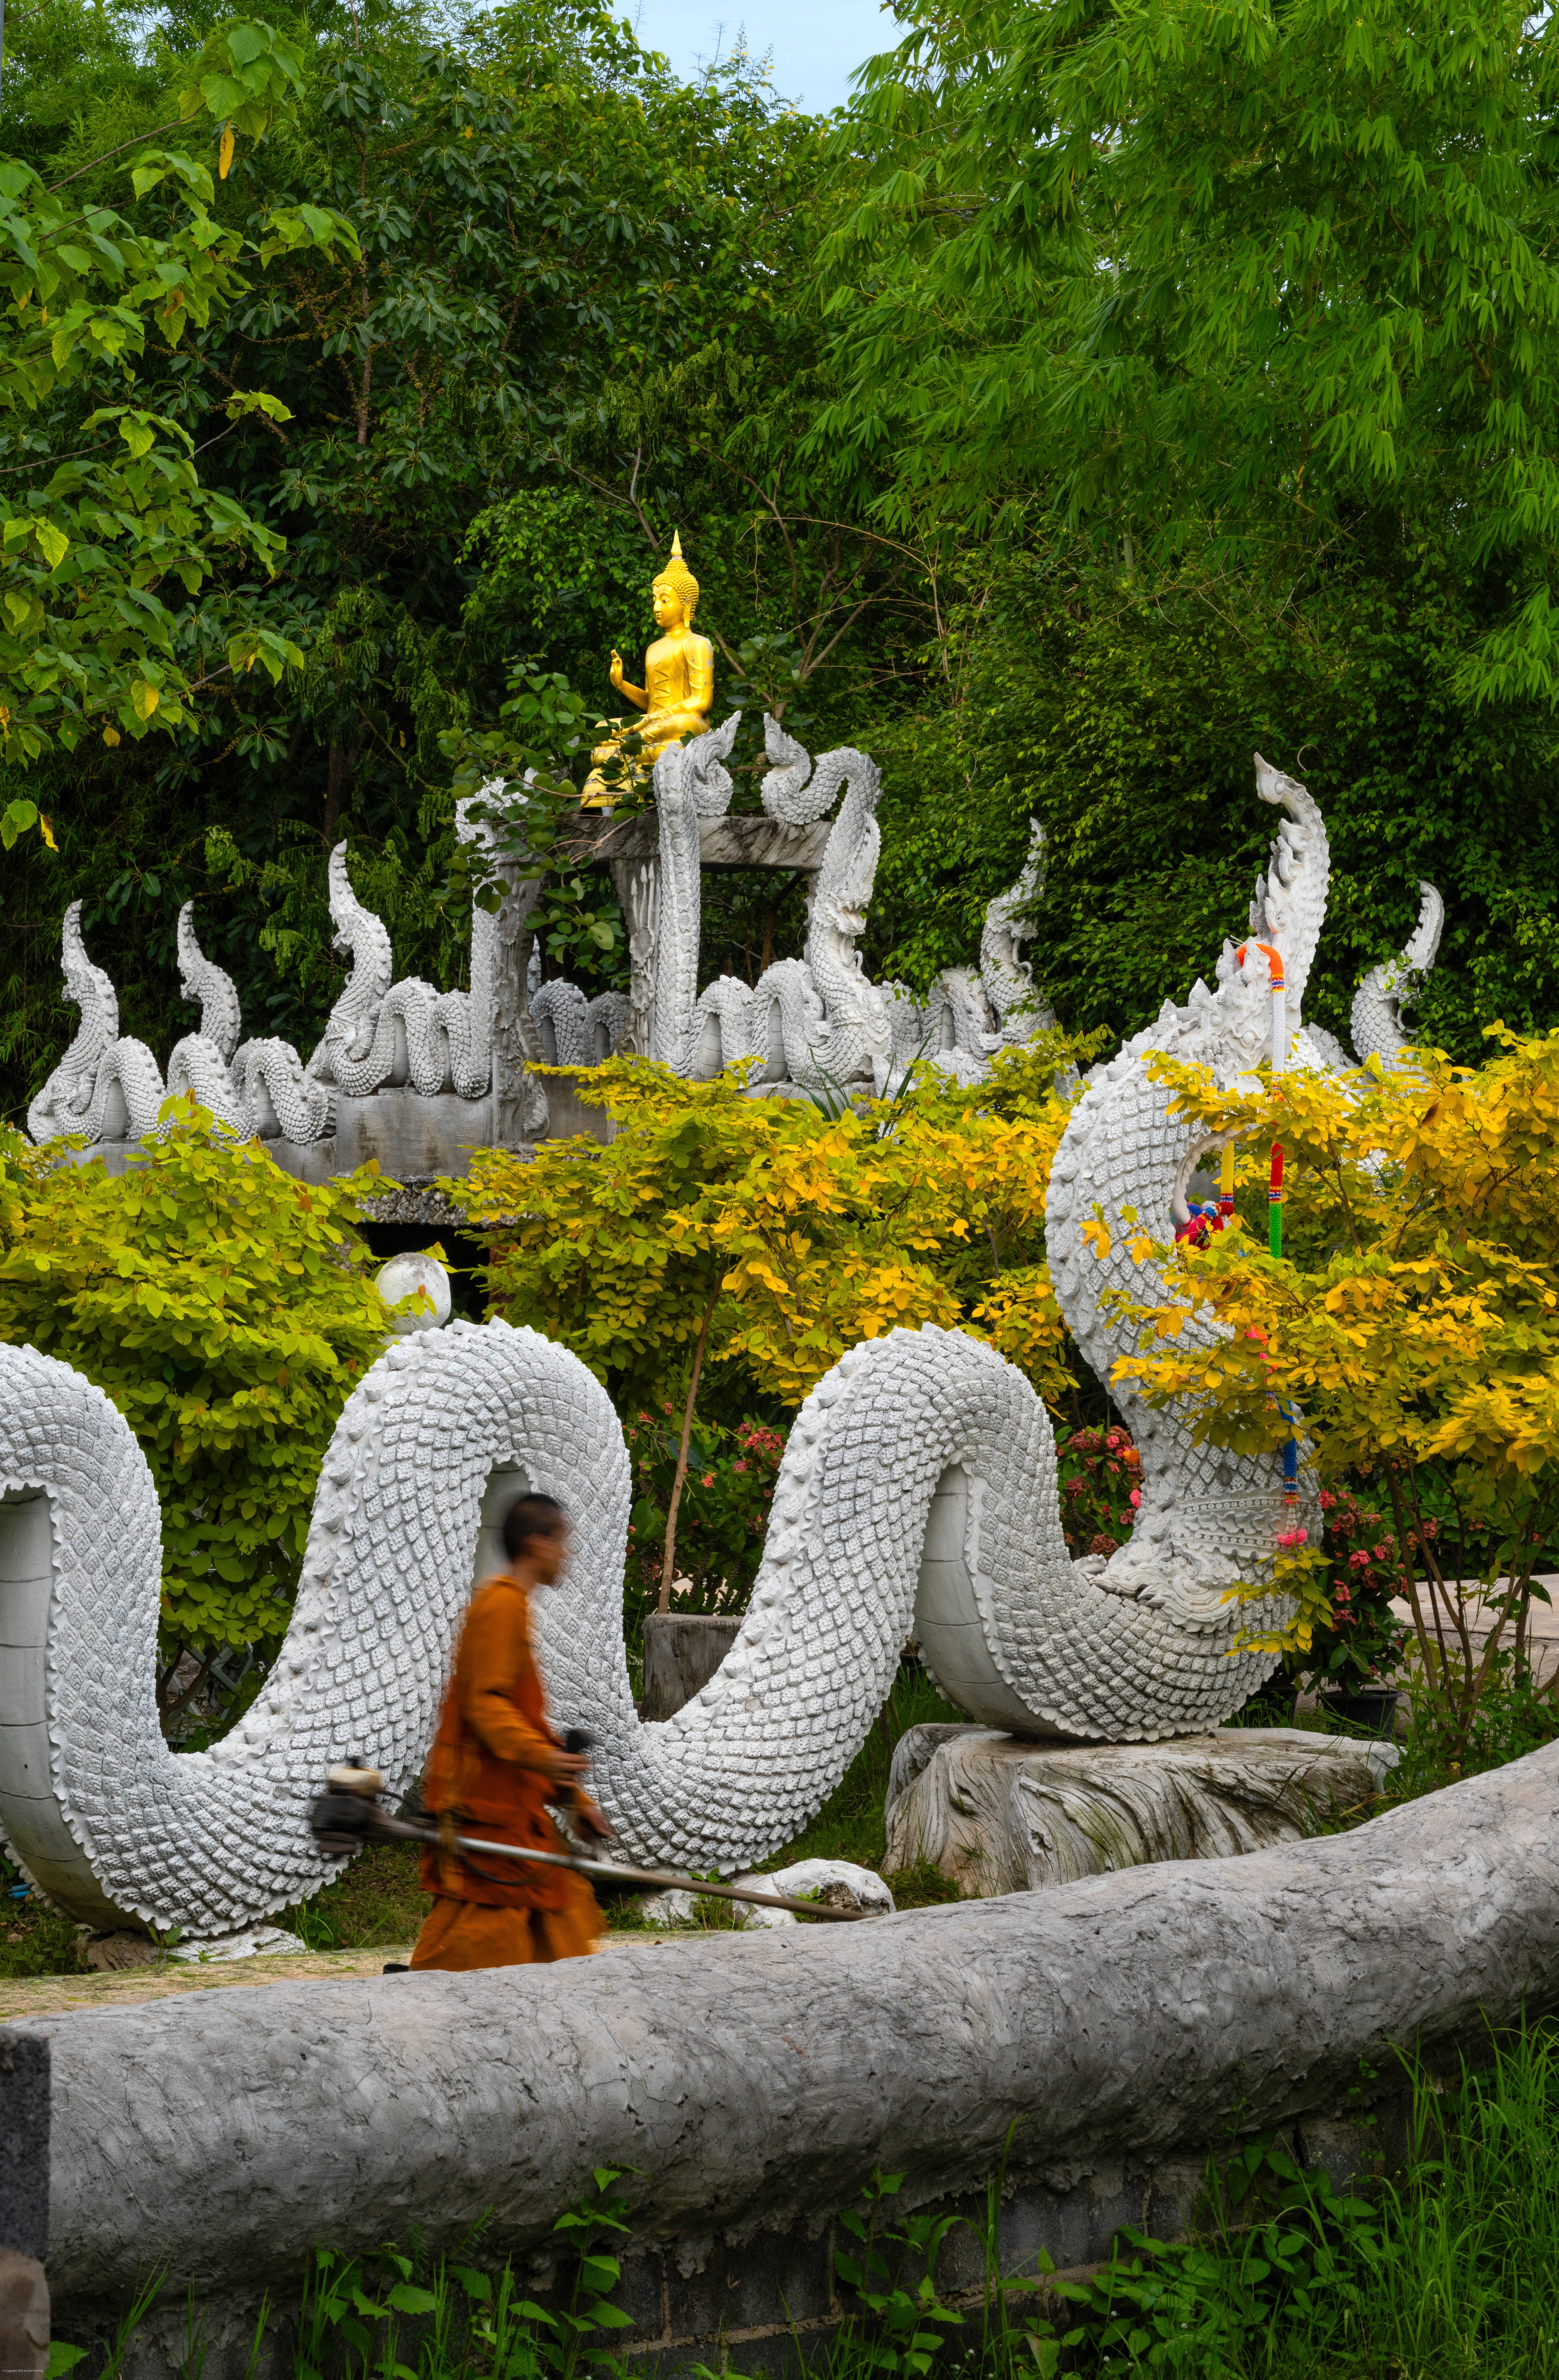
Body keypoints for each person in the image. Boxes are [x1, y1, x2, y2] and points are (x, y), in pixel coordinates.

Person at [408, 1492, 613, 1972]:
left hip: (512, 1817)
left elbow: (526, 1722)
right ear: (537, 1544)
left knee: (554, 1933)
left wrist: (574, 1800)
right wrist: (546, 1760)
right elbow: (487, 1707)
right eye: (563, 1542)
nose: (568, 1554)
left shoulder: (514, 1607)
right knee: (475, 1949)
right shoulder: (499, 1605)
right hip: (485, 1815)